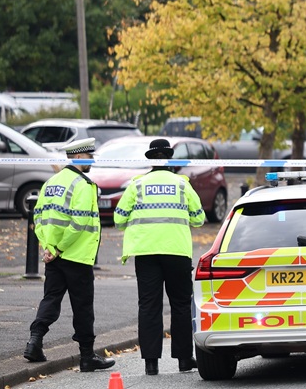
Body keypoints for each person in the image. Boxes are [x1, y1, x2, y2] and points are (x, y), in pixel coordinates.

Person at [23, 137, 115, 372]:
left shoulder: (51, 182)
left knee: (51, 299)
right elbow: (79, 223)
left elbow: (38, 217)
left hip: (54, 256)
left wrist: (49, 247)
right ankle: (87, 357)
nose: (92, 161)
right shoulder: (82, 185)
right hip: (76, 256)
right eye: (90, 157)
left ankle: (34, 342)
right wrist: (60, 248)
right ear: (80, 157)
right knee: (82, 307)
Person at [114, 138, 205, 374]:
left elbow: (118, 219)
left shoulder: (137, 185)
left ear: (151, 159)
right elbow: (198, 218)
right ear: (170, 158)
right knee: (181, 305)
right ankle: (184, 359)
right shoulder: (182, 185)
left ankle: (151, 363)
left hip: (146, 253)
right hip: (176, 251)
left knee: (149, 306)